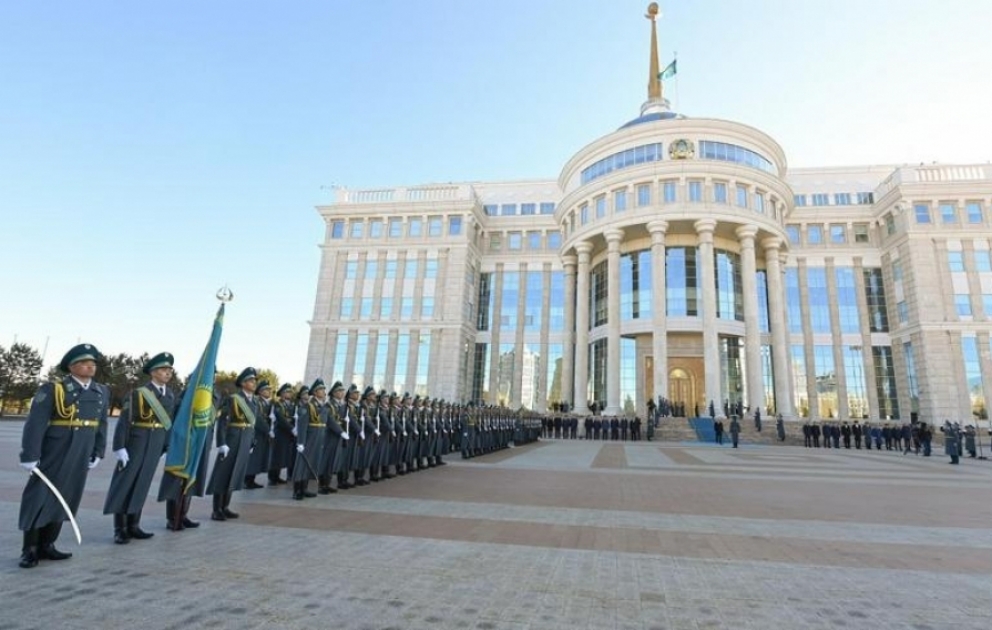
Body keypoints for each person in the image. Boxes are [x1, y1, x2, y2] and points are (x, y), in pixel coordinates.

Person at [18, 343, 110, 569]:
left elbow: (101, 424)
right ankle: (30, 549)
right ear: (71, 366)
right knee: (39, 495)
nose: (90, 366)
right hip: (56, 448)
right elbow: (36, 423)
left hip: (82, 449)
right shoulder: (54, 389)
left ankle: (48, 544)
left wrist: (98, 450)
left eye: (92, 363)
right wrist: (30, 454)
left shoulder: (101, 391)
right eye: (84, 363)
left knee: (67, 494)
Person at [104, 352, 177, 545]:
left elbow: (168, 422)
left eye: (169, 370)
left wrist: (166, 445)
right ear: (153, 372)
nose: (168, 373)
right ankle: (120, 529)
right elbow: (124, 421)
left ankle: (134, 525)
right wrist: (119, 447)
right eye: (163, 369)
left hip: (155, 444)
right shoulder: (138, 393)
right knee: (126, 483)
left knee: (142, 484)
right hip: (136, 442)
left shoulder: (170, 394)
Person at [207, 367, 259, 521]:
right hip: (233, 439)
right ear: (243, 383)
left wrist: (252, 442)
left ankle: (225, 507)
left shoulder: (254, 401)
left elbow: (252, 424)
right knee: (223, 473)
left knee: (234, 473)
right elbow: (223, 421)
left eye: (254, 380)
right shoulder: (233, 399)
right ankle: (216, 510)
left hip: (245, 440)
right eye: (250, 380)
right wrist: (222, 443)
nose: (254, 383)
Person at [268, 384, 297, 485]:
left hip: (287, 434)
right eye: (287, 392)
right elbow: (281, 419)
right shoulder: (277, 404)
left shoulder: (292, 405)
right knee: (276, 456)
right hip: (279, 433)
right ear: (282, 394)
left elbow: (293, 418)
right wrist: (292, 428)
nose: (289, 394)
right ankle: (272, 477)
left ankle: (277, 476)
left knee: (282, 456)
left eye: (290, 392)